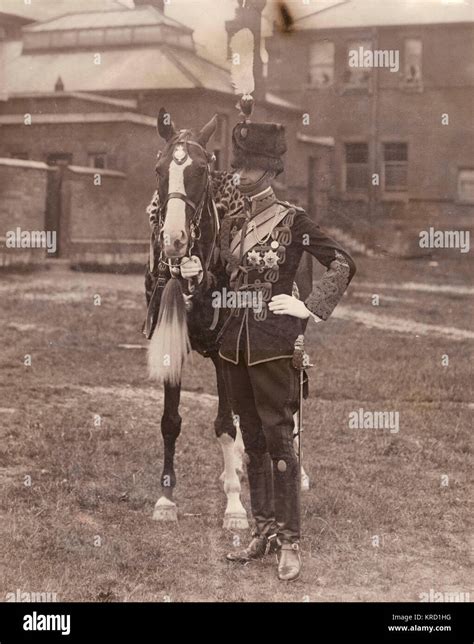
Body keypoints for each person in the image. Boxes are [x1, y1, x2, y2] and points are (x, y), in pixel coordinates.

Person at [181, 115, 356, 581]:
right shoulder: (233, 223)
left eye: (249, 169)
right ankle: (263, 531)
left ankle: (290, 540)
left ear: (270, 172)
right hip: (234, 348)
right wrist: (202, 277)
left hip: (275, 348)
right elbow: (224, 278)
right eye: (238, 168)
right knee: (252, 442)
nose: (238, 176)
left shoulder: (293, 221)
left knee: (280, 443)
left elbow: (342, 261)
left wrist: (310, 308)